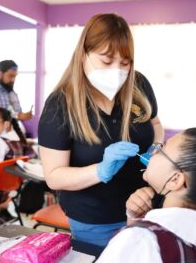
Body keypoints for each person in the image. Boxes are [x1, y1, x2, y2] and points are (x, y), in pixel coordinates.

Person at [38, 13, 164, 246]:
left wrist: (155, 148)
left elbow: (155, 124)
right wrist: (100, 171)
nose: (117, 70)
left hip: (144, 208)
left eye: (125, 63)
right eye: (106, 61)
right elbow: (54, 176)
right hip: (95, 219)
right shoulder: (61, 104)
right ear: (83, 54)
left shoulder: (139, 85)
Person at [98, 128, 196, 263]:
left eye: (161, 149)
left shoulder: (143, 240)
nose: (153, 151)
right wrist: (135, 219)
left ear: (175, 179)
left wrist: (137, 230)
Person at [0, 60, 33, 154]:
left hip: (9, 139)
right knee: (13, 153)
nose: (13, 80)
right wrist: (18, 115)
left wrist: (24, 115)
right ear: (1, 73)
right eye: (10, 76)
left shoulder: (12, 93)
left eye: (15, 76)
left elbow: (17, 115)